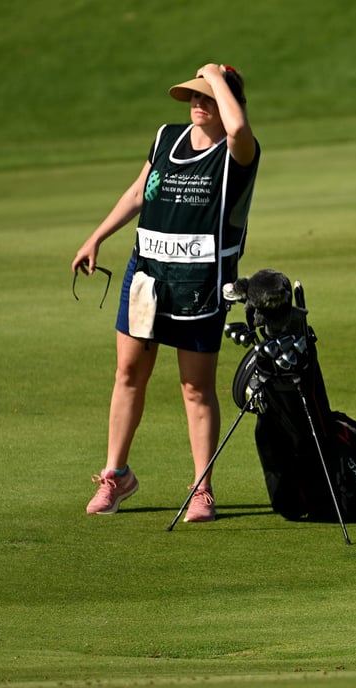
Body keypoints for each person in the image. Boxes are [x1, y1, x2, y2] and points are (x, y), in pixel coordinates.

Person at [72, 64, 261, 523]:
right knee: (128, 374)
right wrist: (97, 236)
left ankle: (202, 490)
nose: (197, 104)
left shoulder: (239, 152)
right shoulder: (166, 138)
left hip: (200, 283)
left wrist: (217, 76)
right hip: (148, 275)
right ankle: (116, 476)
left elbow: (236, 126)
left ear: (227, 103)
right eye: (193, 97)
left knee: (195, 388)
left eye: (207, 98)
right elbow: (141, 191)